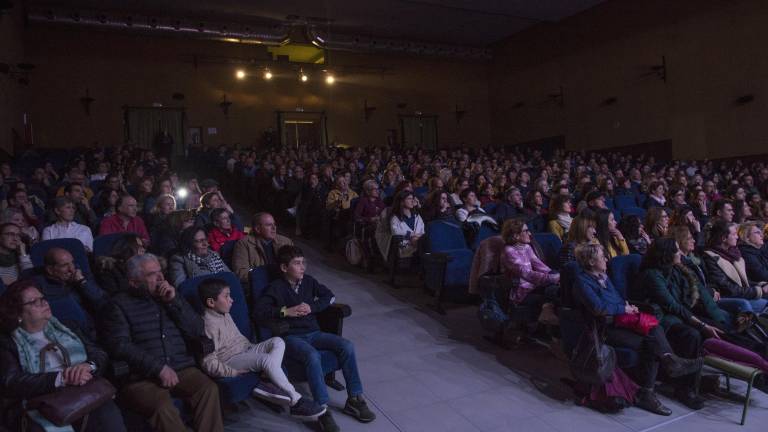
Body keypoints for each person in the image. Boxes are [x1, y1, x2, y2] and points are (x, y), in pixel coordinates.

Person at [572, 243, 703, 416]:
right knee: (651, 343)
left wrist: (624, 306)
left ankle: (667, 366)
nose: (606, 258)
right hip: (603, 329)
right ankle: (653, 386)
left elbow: (617, 299)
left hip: (620, 322)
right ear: (590, 261)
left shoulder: (603, 276)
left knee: (654, 328)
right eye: (601, 256)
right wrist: (622, 308)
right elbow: (598, 308)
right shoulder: (582, 281)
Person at [255, 246, 375, 432]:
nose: (302, 267)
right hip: (292, 336)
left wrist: (312, 307)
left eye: (304, 262)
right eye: (297, 263)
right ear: (284, 268)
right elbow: (259, 312)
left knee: (347, 345)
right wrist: (285, 311)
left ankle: (354, 398)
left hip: (314, 333)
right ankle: (322, 409)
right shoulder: (276, 288)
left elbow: (330, 296)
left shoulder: (309, 282)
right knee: (312, 356)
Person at [100, 254, 224, 432]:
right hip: (141, 377)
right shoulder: (117, 305)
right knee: (162, 407)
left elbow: (197, 329)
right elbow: (119, 346)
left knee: (207, 389)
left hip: (181, 367)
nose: (160, 278)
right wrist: (158, 368)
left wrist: (174, 302)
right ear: (134, 282)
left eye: (161, 272)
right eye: (152, 274)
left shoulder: (170, 296)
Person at [0, 280, 126, 432]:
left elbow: (98, 353)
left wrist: (88, 366)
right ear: (18, 313)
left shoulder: (68, 327)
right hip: (41, 400)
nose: (44, 303)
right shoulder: (8, 342)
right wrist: (61, 378)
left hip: (84, 390)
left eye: (43, 298)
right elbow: (11, 381)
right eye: (34, 302)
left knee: (107, 416)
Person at [197, 278, 325, 419]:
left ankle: (269, 373)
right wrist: (232, 372)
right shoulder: (206, 325)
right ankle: (296, 401)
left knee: (277, 341)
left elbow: (238, 339)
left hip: (245, 350)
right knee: (265, 360)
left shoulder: (224, 312)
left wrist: (253, 348)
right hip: (229, 360)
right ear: (211, 302)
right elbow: (207, 362)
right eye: (226, 296)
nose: (231, 300)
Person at [637, 238, 726, 408]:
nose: (680, 253)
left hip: (676, 315)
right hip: (660, 319)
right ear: (666, 254)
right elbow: (672, 305)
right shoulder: (652, 275)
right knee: (693, 334)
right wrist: (701, 325)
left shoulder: (673, 270)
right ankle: (686, 390)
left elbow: (690, 295)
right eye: (676, 250)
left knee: (721, 328)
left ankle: (757, 355)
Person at [501, 218, 560, 323]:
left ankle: (547, 315)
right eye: (526, 231)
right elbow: (526, 273)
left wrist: (554, 274)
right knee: (553, 290)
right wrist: (549, 278)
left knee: (556, 289)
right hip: (521, 292)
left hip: (534, 286)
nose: (530, 233)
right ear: (515, 235)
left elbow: (540, 266)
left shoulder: (527, 247)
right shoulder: (509, 251)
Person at [703, 220, 768, 315]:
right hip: (727, 297)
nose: (737, 237)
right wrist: (759, 290)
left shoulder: (733, 254)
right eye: (734, 234)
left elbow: (743, 282)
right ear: (724, 238)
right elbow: (728, 288)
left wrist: (761, 285)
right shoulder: (711, 258)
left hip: (742, 294)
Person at [231, 212, 293, 283]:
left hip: (285, 282)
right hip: (261, 285)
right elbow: (241, 273)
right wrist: (266, 277)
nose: (274, 228)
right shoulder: (243, 244)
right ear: (257, 229)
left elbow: (296, 266)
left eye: (274, 224)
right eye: (269, 225)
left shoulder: (286, 241)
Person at [386, 190, 425, 259]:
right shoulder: (395, 218)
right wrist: (411, 235)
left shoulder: (417, 216)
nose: (412, 201)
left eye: (413, 199)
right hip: (405, 249)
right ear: (402, 201)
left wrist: (417, 238)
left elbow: (422, 231)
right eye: (409, 199)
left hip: (420, 247)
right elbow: (395, 233)